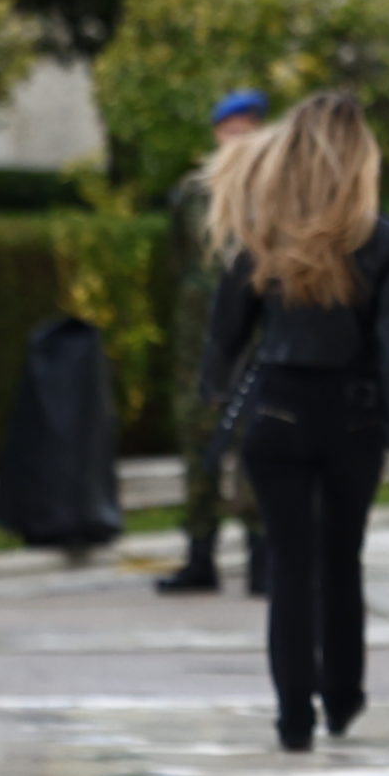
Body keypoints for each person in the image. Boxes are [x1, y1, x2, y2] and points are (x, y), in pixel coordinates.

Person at [201, 93, 389, 752]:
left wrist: (213, 399)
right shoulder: (382, 240)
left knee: (288, 565)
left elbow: (224, 335)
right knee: (341, 559)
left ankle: (293, 713)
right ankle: (343, 695)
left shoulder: (262, 231)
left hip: (275, 406)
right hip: (349, 414)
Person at [160, 88, 269, 596]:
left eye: (248, 131)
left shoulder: (275, 192)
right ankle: (199, 556)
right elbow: (176, 263)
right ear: (216, 134)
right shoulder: (191, 192)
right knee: (198, 453)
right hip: (197, 346)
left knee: (255, 451)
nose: (238, 140)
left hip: (257, 343)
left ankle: (262, 558)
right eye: (231, 131)